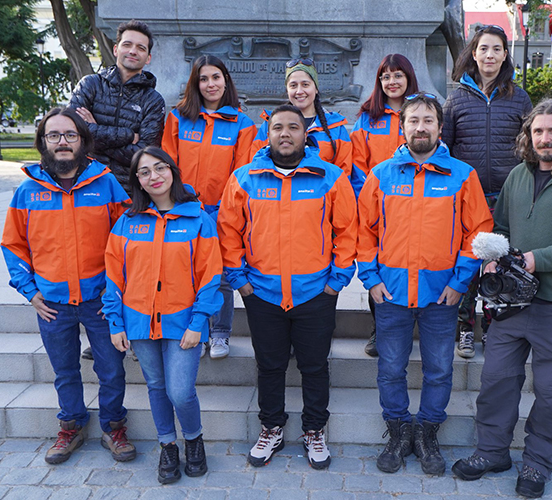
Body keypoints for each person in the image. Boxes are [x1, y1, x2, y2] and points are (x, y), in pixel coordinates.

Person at [452, 100, 552, 498]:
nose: (545, 138)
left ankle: (538, 463)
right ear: (528, 136)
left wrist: (539, 260)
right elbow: (502, 227)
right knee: (496, 381)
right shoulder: (517, 177)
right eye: (538, 131)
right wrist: (493, 260)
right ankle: (491, 452)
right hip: (512, 304)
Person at [357, 92, 493, 476]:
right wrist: (371, 279)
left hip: (441, 296)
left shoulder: (462, 175)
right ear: (403, 128)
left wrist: (460, 282)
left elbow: (479, 232)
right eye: (413, 120)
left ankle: (428, 432)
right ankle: (398, 430)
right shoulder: (381, 175)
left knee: (439, 369)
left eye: (428, 120)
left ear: (439, 126)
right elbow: (363, 232)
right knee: (390, 368)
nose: (421, 127)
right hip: (391, 293)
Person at [219, 104, 358, 470]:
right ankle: (272, 427)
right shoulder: (245, 178)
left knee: (314, 366)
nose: (285, 133)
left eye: (293, 127)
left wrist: (336, 282)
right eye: (278, 127)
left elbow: (347, 231)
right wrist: (240, 281)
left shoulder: (330, 177)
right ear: (268, 134)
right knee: (270, 365)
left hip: (315, 293)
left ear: (304, 134)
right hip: (262, 293)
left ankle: (314, 430)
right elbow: (228, 232)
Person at [1, 107, 134, 465]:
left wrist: (117, 288)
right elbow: (13, 245)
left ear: (82, 141)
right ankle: (72, 425)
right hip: (52, 303)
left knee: (111, 368)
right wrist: (29, 291)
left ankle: (113, 426)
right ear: (43, 142)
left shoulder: (106, 183)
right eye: (54, 135)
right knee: (64, 369)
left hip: (100, 299)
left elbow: (127, 238)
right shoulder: (28, 191)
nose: (62, 142)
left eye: (70, 135)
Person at [103, 146, 223, 484]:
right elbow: (113, 276)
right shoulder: (127, 221)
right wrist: (115, 321)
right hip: (138, 321)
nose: (153, 176)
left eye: (160, 168)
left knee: (180, 391)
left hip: (183, 320)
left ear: (173, 171)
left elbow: (211, 275)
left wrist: (199, 322)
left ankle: (194, 439)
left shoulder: (198, 219)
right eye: (144, 172)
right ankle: (167, 445)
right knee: (156, 386)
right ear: (137, 181)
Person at [442, 24, 533, 359]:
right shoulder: (456, 98)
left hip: (509, 196)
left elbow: (531, 146)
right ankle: (466, 328)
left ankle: (496, 327)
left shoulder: (519, 97)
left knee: (502, 264)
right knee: (468, 262)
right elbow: (446, 148)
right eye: (483, 48)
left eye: (496, 49)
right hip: (469, 197)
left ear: (505, 54)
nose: (489, 55)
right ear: (474, 53)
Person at [162, 54, 257, 360]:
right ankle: (197, 331)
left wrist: (227, 213)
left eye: (216, 77)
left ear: (226, 81)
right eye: (203, 79)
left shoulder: (242, 124)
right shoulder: (178, 118)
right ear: (195, 84)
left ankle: (220, 333)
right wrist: (178, 204)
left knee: (223, 275)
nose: (210, 84)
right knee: (188, 273)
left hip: (222, 212)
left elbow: (241, 174)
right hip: (184, 209)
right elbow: (168, 164)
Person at [350, 53, 419, 357]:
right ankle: (380, 330)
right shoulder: (368, 117)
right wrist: (373, 196)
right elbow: (357, 163)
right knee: (378, 266)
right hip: (378, 204)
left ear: (408, 78)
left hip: (418, 202)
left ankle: (415, 327)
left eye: (398, 75)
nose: (392, 82)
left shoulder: (421, 110)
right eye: (386, 77)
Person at [70, 19, 166, 189]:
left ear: (148, 58)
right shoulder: (90, 85)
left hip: (129, 192)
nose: (133, 51)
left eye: (141, 48)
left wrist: (94, 133)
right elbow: (73, 134)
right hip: (85, 184)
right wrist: (127, 135)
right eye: (127, 44)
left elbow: (144, 155)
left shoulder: (153, 101)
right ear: (116, 49)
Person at [251, 59, 352, 180]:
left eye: (305, 84)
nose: (299, 91)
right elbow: (255, 167)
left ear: (316, 88)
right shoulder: (270, 125)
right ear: (287, 90)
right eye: (293, 85)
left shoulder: (336, 127)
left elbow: (344, 176)